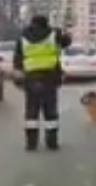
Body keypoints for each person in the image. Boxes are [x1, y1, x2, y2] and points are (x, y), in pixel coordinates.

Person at [12, 15, 71, 151]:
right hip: (50, 78)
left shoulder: (22, 37)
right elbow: (67, 42)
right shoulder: (54, 34)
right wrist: (65, 32)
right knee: (50, 113)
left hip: (30, 78)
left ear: (32, 23)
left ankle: (31, 144)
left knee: (31, 112)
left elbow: (17, 58)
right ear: (46, 23)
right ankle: (51, 143)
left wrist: (18, 77)